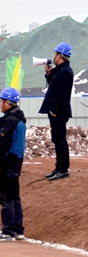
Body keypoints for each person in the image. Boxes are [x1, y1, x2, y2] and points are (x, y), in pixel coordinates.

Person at [0, 87, 27, 242]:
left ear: (8, 102)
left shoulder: (10, 120)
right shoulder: (17, 118)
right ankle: (18, 230)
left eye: (1, 101)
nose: (0, 104)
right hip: (15, 161)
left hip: (8, 161)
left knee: (6, 197)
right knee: (14, 196)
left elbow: (4, 143)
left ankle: (8, 231)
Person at [40, 42, 74, 181]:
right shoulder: (60, 70)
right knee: (57, 139)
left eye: (55, 53)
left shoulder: (65, 71)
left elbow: (61, 94)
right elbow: (54, 86)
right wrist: (49, 73)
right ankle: (59, 167)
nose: (53, 56)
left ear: (60, 55)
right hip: (57, 111)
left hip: (59, 112)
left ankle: (63, 169)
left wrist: (54, 110)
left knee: (60, 140)